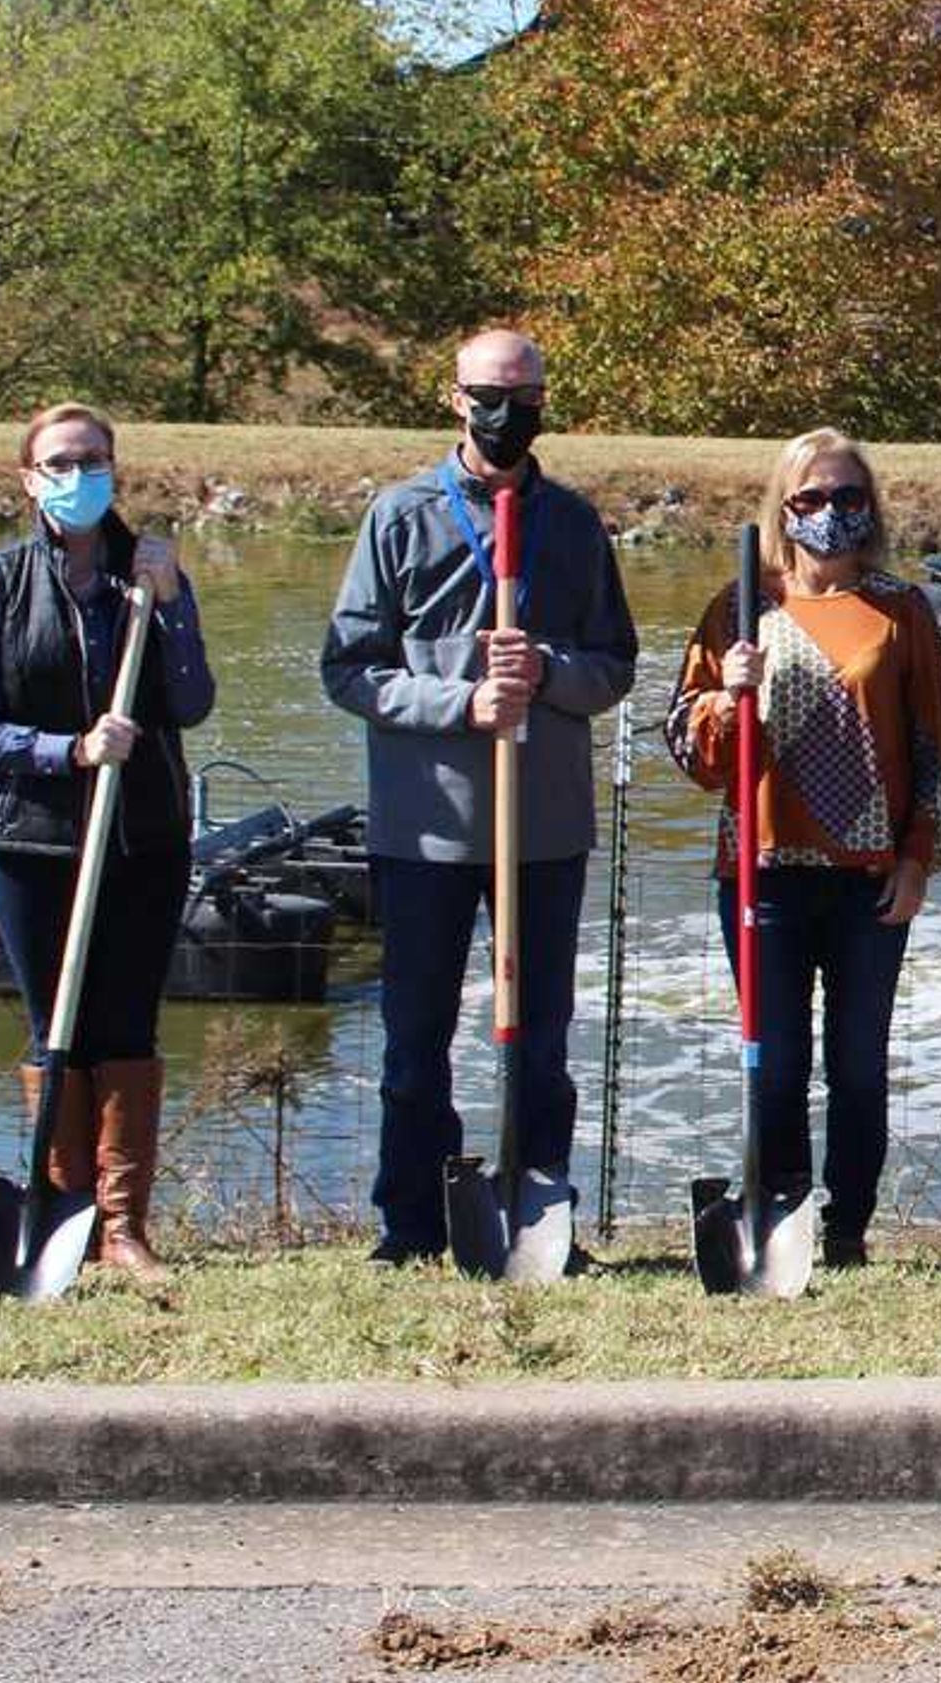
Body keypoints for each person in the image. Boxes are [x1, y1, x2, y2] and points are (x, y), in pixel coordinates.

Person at [320, 329, 639, 1266]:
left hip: (542, 829)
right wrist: (462, 696)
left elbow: (615, 664)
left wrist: (545, 670)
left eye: (525, 394)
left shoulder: (574, 524)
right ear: (455, 398)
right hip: (426, 831)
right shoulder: (402, 516)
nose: (508, 412)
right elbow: (349, 669)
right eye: (490, 394)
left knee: (541, 1041)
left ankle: (539, 1214)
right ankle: (411, 1224)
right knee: (415, 1043)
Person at [666, 429, 941, 1270]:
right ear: (782, 508)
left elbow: (935, 747)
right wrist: (730, 697)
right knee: (777, 1064)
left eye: (847, 497)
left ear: (869, 506)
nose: (830, 514)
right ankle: (780, 1212)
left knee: (859, 1066)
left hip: (870, 880)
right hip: (763, 871)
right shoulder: (740, 609)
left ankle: (848, 1225)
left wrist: (917, 857)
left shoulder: (902, 611)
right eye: (810, 499)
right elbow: (693, 755)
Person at [0, 402, 216, 1279]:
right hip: (33, 843)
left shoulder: (151, 582)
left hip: (145, 839)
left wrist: (169, 606)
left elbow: (195, 699)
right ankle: (63, 1217)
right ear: (29, 478)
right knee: (52, 1026)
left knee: (126, 1025)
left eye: (93, 459)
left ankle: (124, 1228)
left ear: (115, 470)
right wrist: (72, 750)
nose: (78, 475)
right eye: (59, 462)